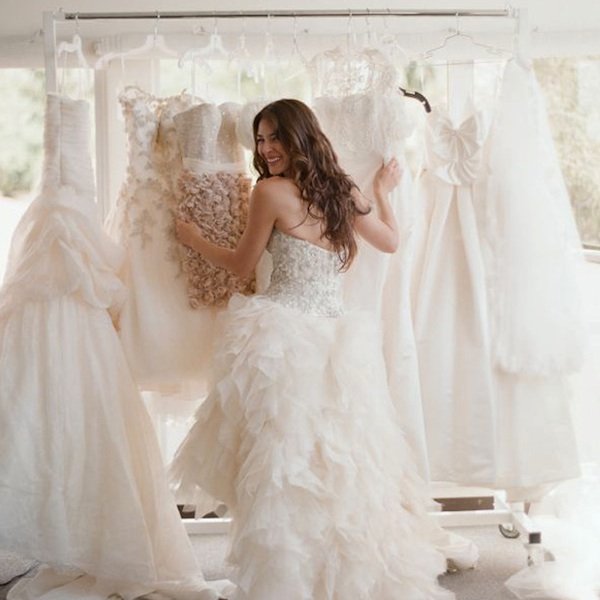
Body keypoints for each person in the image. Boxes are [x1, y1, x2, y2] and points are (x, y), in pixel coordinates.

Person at [170, 98, 475, 600]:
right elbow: (392, 241)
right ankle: (328, 574)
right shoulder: (341, 190)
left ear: (298, 138)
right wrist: (381, 192)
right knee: (334, 463)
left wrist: (193, 238)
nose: (265, 150)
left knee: (289, 466)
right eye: (261, 139)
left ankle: (294, 578)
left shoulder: (269, 192)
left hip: (285, 338)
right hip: (336, 342)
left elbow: (242, 264)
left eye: (274, 138)